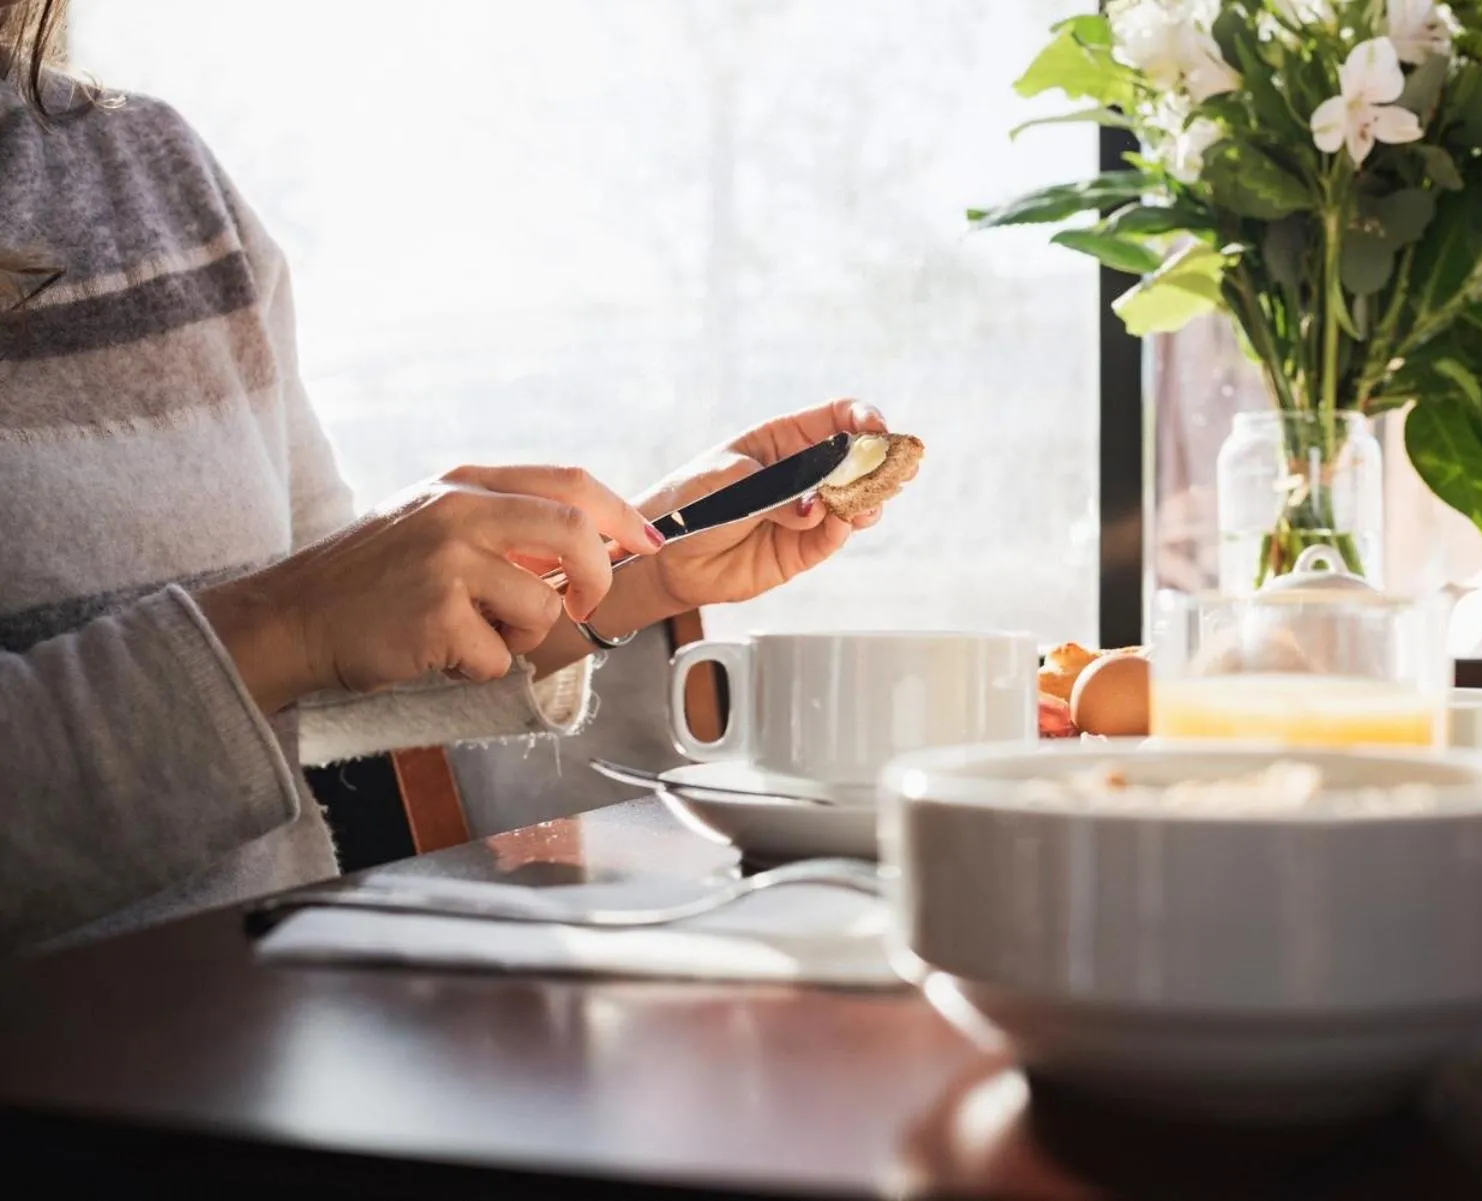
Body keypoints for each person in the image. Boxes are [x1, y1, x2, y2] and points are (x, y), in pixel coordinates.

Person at [0, 2, 897, 952]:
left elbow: (314, 682)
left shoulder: (153, 173)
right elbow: (292, 631)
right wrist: (294, 616)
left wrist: (641, 567)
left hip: (271, 1017)